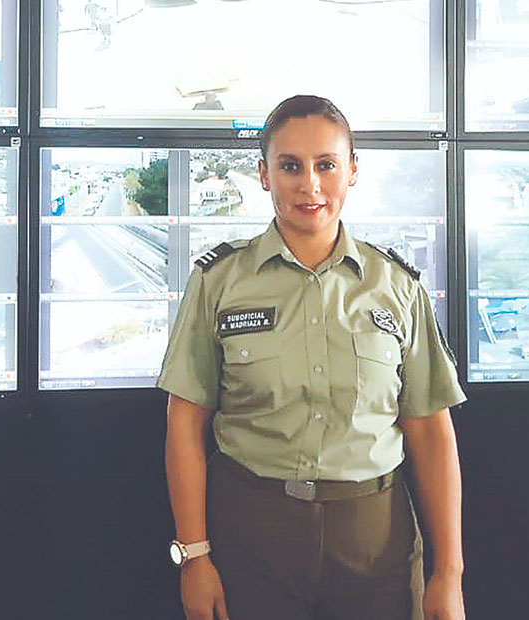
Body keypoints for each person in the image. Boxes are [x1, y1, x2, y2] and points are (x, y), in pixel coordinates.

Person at [158, 95, 466, 620]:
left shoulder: (396, 287)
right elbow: (185, 425)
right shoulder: (219, 283)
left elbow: (431, 431)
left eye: (326, 165)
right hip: (253, 536)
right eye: (290, 166)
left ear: (351, 171)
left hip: (376, 541)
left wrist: (448, 574)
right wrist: (194, 558)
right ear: (263, 175)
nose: (310, 185)